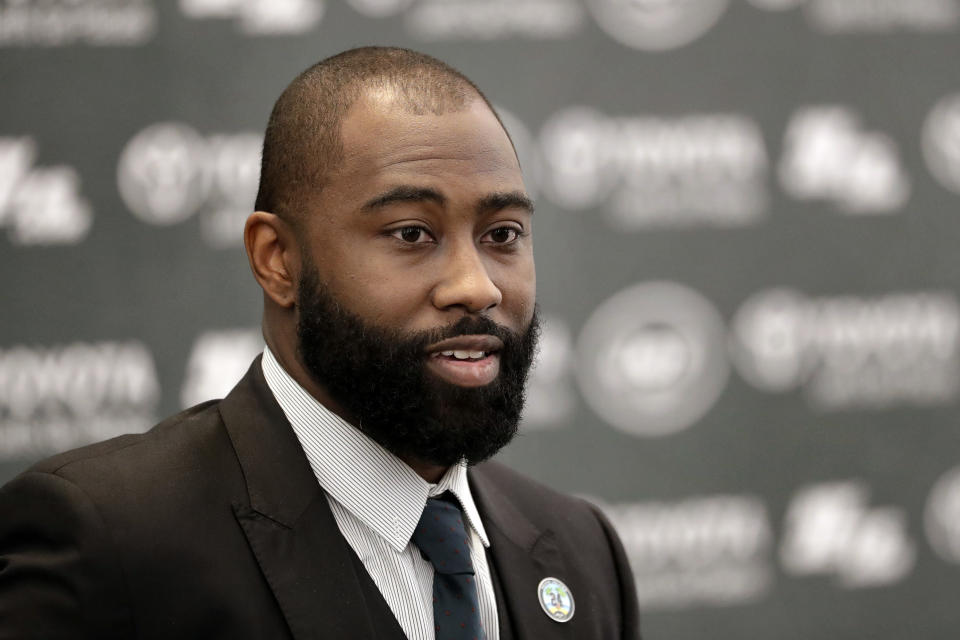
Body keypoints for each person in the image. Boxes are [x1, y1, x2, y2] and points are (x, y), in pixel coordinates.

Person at [0, 47, 640, 639]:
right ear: (277, 260)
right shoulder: (108, 542)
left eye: (502, 235)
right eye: (412, 233)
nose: (476, 288)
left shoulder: (582, 550)